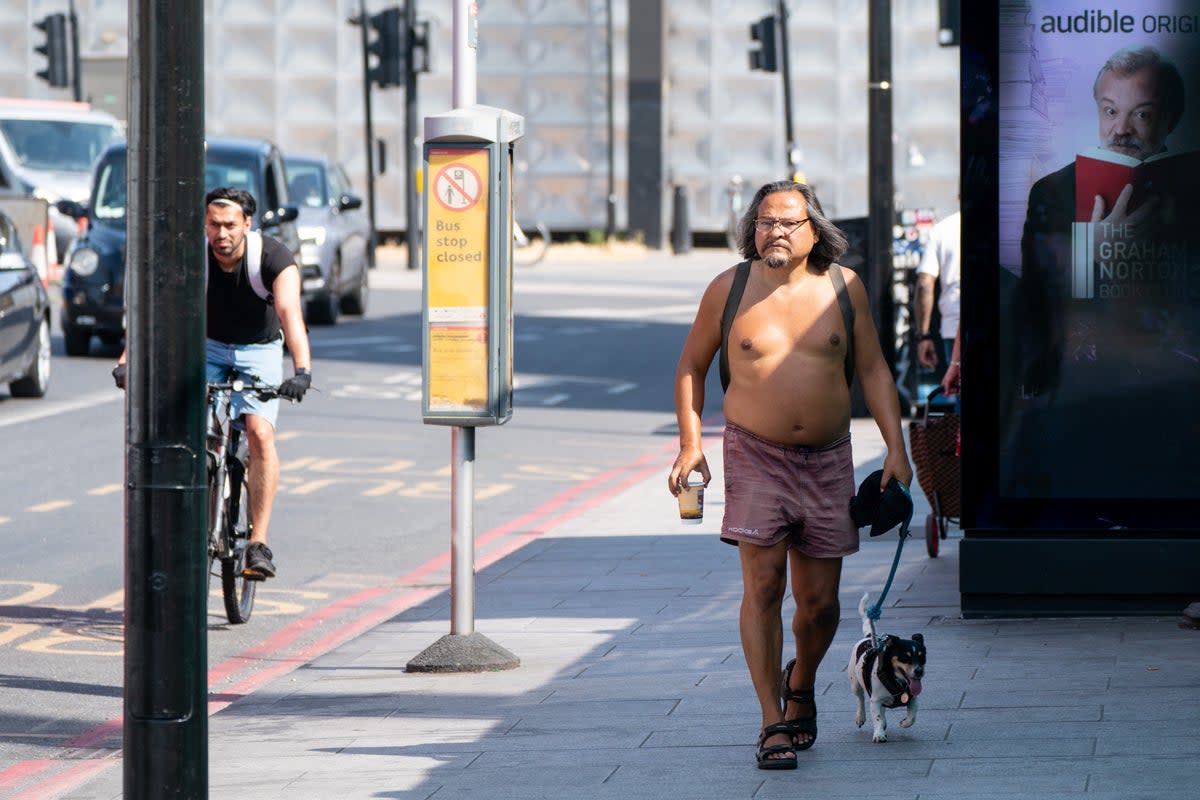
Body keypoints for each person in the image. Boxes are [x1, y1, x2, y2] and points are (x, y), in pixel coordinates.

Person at [667, 180, 912, 769]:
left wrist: (896, 451)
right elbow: (691, 367)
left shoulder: (843, 287)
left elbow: (875, 370)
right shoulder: (728, 289)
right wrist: (690, 444)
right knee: (765, 587)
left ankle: (799, 683)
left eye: (789, 222)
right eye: (766, 221)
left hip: (830, 457)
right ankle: (771, 721)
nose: (776, 231)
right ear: (753, 228)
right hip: (755, 455)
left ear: (814, 230)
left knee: (821, 606)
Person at [1014, 44, 1199, 500]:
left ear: (1171, 119)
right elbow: (1036, 301)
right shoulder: (1052, 193)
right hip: (1085, 389)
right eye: (1111, 111)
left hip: (1177, 392)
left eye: (1142, 115)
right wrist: (1090, 254)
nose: (1121, 129)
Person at [113, 187, 312, 580]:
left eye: (230, 225)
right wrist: (125, 361)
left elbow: (290, 314)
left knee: (259, 433)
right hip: (207, 346)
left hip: (259, 349)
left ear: (247, 224)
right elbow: (155, 311)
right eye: (214, 224)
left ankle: (258, 542)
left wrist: (302, 371)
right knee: (191, 427)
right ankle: (192, 516)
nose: (221, 234)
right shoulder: (192, 256)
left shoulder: (273, 259)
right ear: (204, 224)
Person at [914, 208, 960, 372]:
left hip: (953, 327)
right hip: (1002, 322)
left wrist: (923, 335)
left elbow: (925, 283)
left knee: (959, 390)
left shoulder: (943, 229)